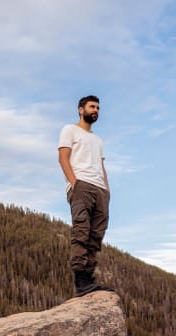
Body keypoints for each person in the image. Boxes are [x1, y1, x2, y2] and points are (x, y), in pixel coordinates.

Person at [58, 95, 113, 297]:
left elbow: (101, 166)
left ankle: (89, 279)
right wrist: (75, 183)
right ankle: (81, 280)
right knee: (82, 230)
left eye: (98, 107)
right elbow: (63, 157)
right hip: (81, 185)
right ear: (81, 109)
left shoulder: (98, 140)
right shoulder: (69, 130)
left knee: (96, 234)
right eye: (92, 106)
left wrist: (107, 190)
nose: (95, 110)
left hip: (100, 190)